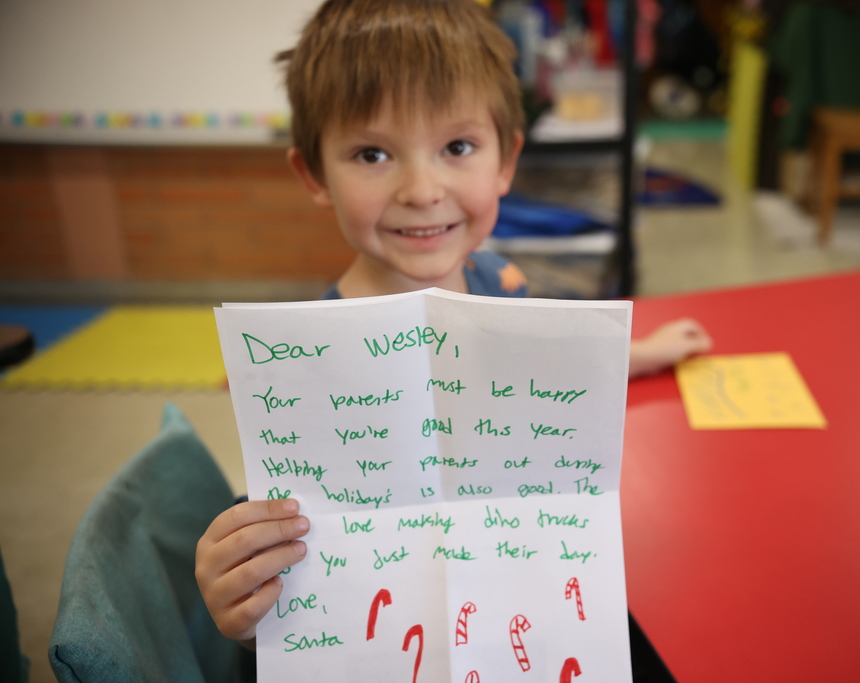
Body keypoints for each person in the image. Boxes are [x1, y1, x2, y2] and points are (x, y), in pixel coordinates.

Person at [196, 0, 712, 651]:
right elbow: (295, 580)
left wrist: (638, 353)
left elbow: (553, 364)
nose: (421, 188)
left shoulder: (498, 279)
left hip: (521, 614)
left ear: (505, 161)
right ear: (314, 173)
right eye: (373, 153)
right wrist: (240, 601)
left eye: (457, 146)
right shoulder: (305, 368)